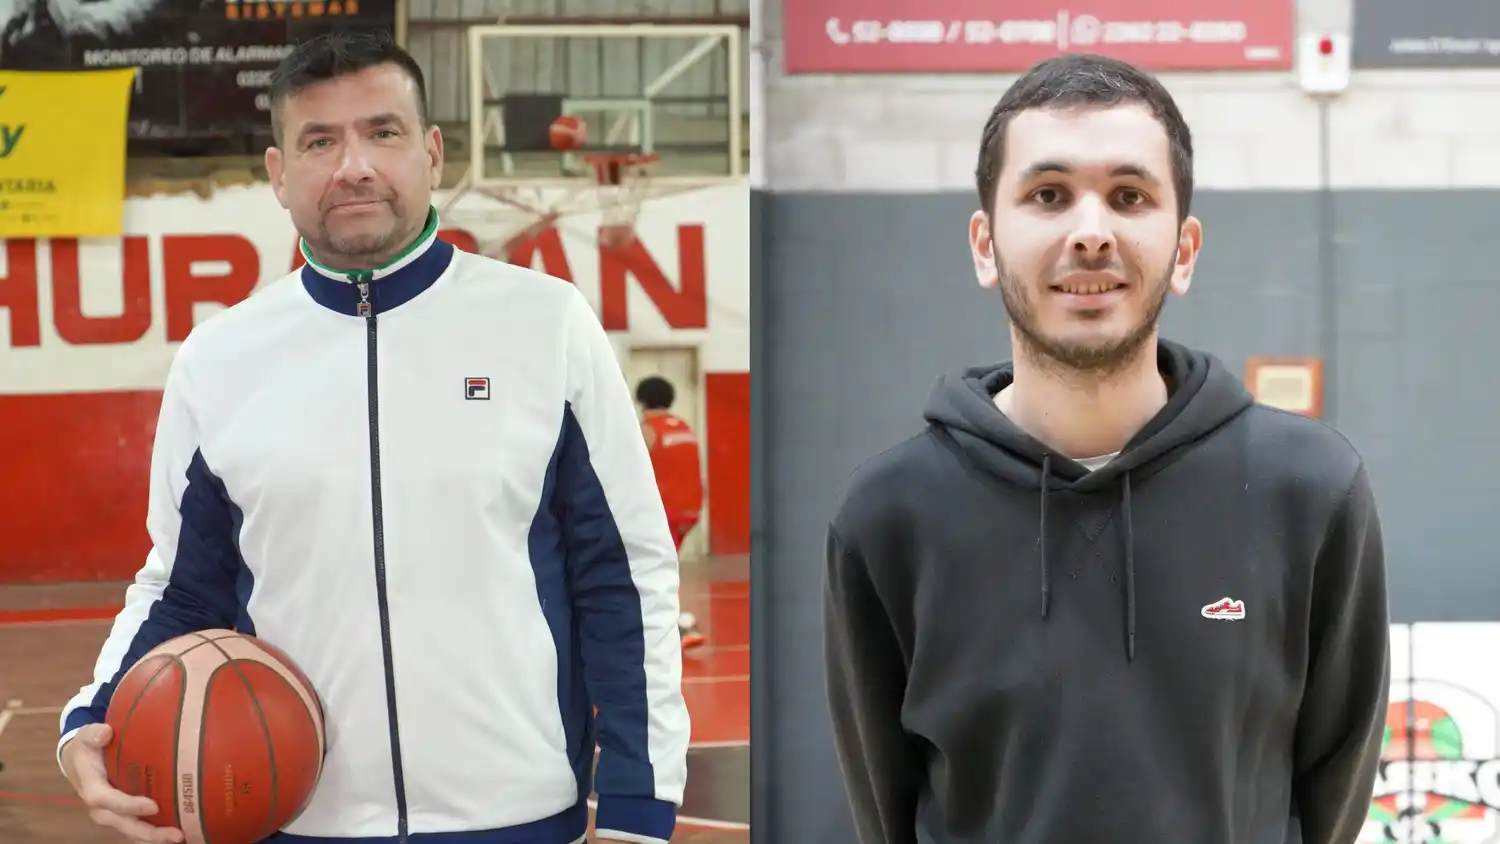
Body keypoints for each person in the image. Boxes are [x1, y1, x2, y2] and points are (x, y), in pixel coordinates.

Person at [57, 31, 690, 844]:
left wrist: (640, 808)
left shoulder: (545, 323)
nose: (353, 164)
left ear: (431, 153)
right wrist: (93, 719)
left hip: (518, 816)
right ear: (279, 175)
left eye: (382, 132)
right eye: (319, 140)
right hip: (297, 817)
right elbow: (183, 585)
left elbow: (624, 573)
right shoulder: (219, 359)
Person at [823, 53, 1390, 844]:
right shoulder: (888, 515)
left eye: (1129, 196)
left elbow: (1332, 799)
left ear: (1183, 250)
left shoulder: (1313, 488)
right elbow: (886, 813)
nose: (1091, 233)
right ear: (985, 244)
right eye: (1048, 195)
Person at [635, 375, 708, 650]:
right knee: (662, 566)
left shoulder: (647, 430)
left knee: (650, 570)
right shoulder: (685, 428)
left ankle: (680, 623)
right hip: (690, 512)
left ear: (642, 401)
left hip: (663, 511)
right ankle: (672, 622)